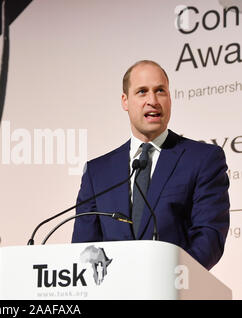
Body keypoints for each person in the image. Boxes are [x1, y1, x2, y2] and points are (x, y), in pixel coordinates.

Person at [71, 60, 230, 270]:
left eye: (160, 91)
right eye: (142, 92)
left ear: (170, 98)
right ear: (125, 101)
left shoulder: (203, 159)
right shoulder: (97, 172)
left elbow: (209, 237)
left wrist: (168, 279)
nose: (152, 100)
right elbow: (84, 247)